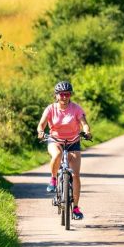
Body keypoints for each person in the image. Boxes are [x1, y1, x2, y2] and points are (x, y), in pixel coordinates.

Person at [37, 80, 91, 221]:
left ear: (70, 95)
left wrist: (87, 132)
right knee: (58, 154)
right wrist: (41, 132)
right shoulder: (50, 109)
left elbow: (84, 124)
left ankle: (76, 208)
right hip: (55, 140)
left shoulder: (76, 108)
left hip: (73, 141)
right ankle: (53, 179)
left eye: (67, 94)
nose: (64, 97)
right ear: (56, 95)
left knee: (76, 175)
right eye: (61, 94)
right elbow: (41, 124)